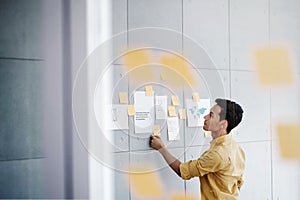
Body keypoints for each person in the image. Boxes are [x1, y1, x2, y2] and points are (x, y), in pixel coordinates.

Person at [150, 98, 245, 200]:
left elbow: (182, 171)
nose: (205, 117)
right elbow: (238, 183)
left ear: (223, 124)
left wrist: (161, 148)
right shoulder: (236, 148)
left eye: (211, 115)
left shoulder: (217, 154)